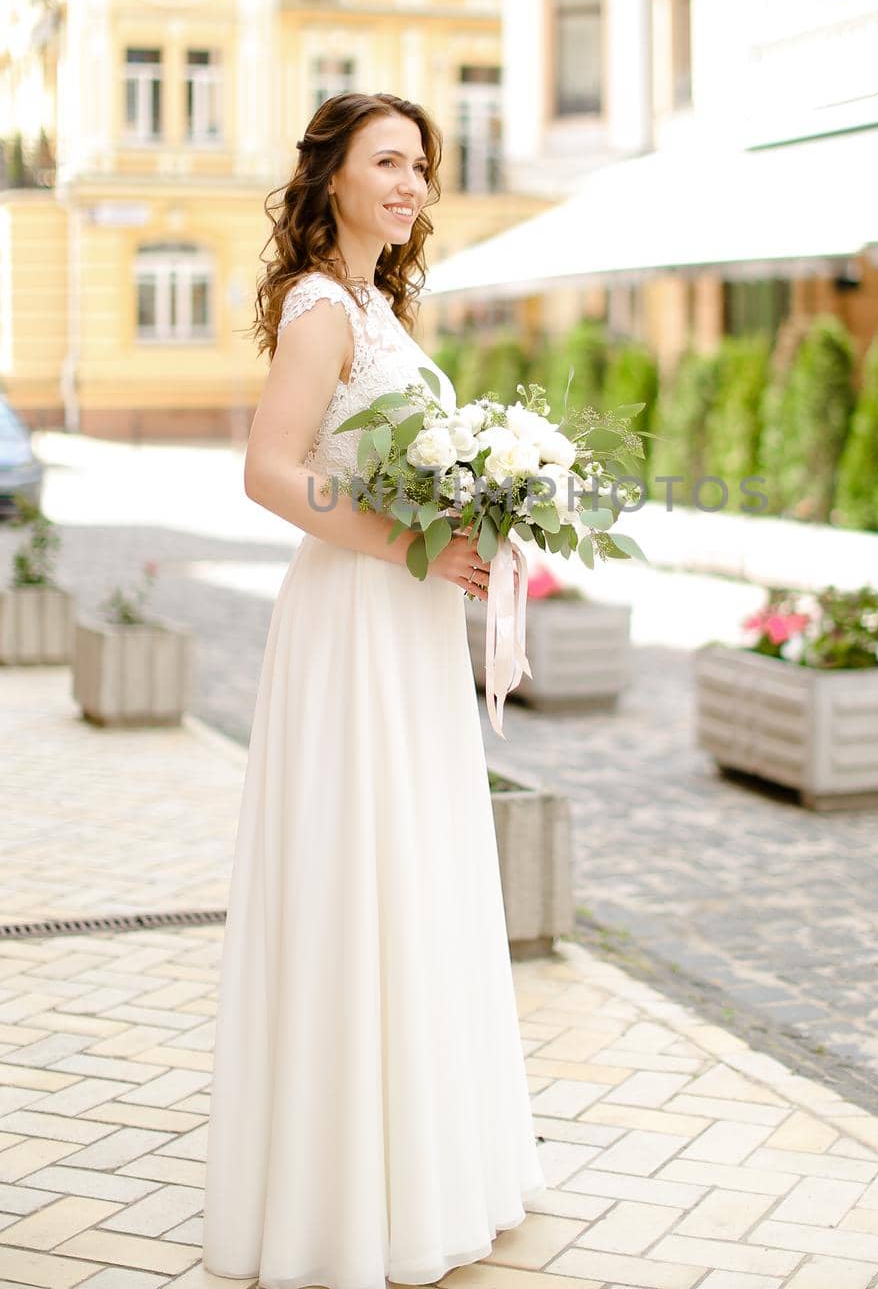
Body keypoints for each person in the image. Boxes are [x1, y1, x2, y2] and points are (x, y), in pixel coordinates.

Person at [202, 91, 547, 1289]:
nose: (410, 183)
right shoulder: (316, 309)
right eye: (386, 161)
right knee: (360, 875)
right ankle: (345, 1199)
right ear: (331, 178)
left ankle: (425, 1169)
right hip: (352, 626)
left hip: (403, 635)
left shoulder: (380, 308)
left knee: (414, 873)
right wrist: (409, 545)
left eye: (421, 165)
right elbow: (265, 472)